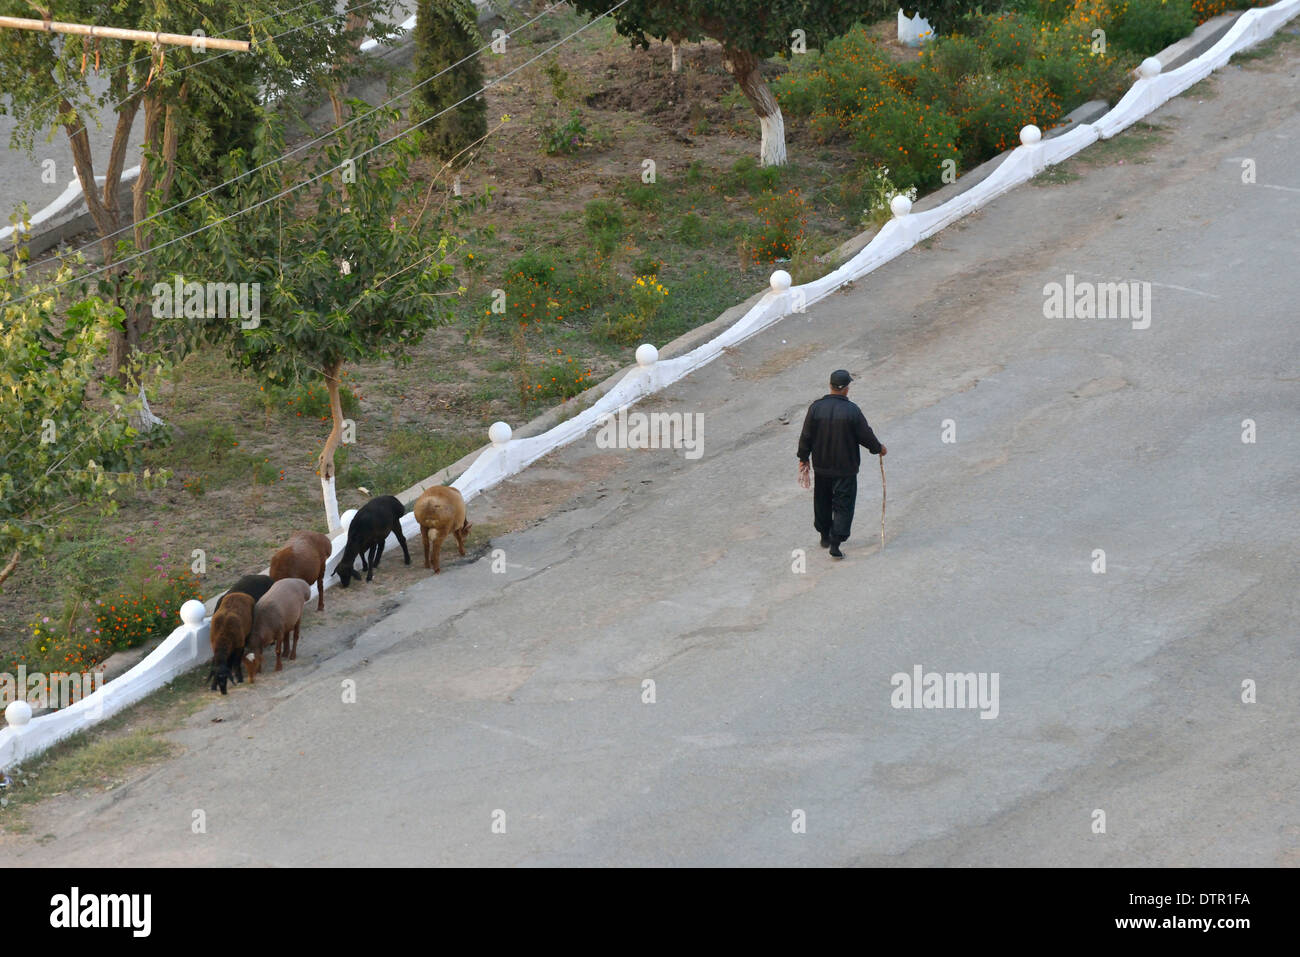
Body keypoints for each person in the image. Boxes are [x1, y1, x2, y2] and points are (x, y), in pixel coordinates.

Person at [796, 369, 887, 559]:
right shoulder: (852, 411)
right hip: (845, 469)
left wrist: (803, 458)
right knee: (843, 504)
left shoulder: (816, 408)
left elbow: (806, 436)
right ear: (846, 389)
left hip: (822, 467)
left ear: (830, 386)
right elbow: (865, 435)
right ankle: (836, 543)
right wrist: (878, 448)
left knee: (822, 501)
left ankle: (824, 536)